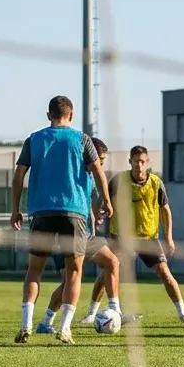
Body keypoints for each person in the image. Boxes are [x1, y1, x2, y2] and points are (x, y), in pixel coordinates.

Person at [10, 96, 114, 345]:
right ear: (72, 115)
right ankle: (65, 328)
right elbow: (98, 169)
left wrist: (16, 208)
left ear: (49, 115)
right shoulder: (81, 139)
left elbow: (19, 174)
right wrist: (106, 200)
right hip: (73, 212)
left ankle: (26, 326)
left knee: (35, 269)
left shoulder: (34, 139)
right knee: (74, 271)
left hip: (41, 211)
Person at [78, 145, 184, 326]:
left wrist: (169, 238)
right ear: (130, 162)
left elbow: (165, 210)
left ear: (147, 163)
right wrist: (97, 214)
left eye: (142, 161)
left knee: (165, 274)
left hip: (148, 238)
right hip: (121, 237)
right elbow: (102, 199)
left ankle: (183, 313)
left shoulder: (155, 182)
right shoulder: (119, 180)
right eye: (136, 161)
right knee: (108, 271)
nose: (139, 165)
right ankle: (91, 313)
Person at [34, 137, 125, 333]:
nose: (101, 163)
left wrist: (95, 216)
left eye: (103, 160)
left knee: (112, 262)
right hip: (66, 236)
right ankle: (46, 323)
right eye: (100, 158)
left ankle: (115, 309)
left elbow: (87, 202)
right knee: (69, 281)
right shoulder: (73, 173)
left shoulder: (90, 176)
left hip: (86, 235)